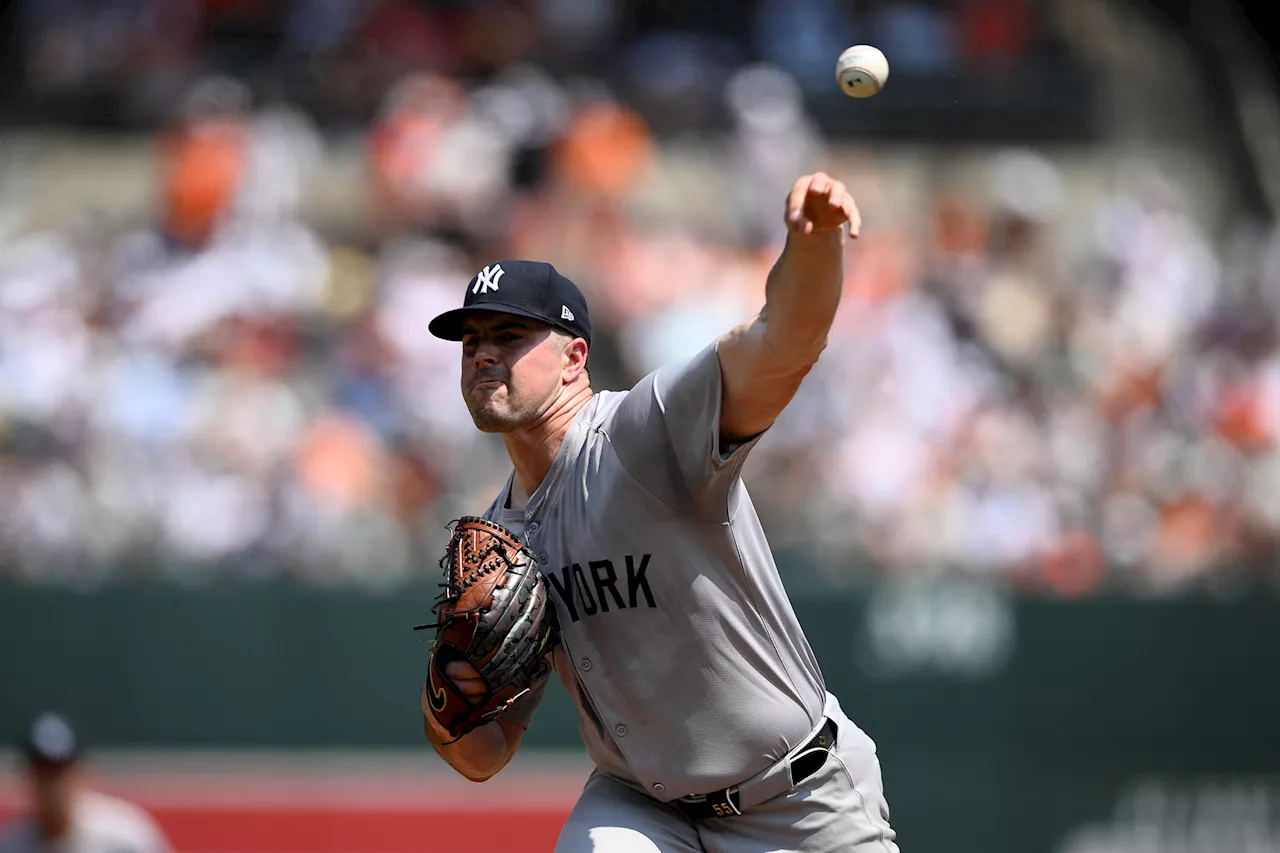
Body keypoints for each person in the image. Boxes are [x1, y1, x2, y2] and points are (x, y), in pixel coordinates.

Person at [421, 172, 899, 852]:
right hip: (644, 805)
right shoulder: (502, 542)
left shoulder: (644, 434)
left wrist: (815, 246)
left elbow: (780, 345)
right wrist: (447, 699)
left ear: (573, 358)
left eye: (511, 334)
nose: (484, 353)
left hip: (795, 800)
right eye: (470, 341)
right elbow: (484, 754)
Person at [0, 713, 172, 853]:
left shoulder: (125, 837)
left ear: (81, 774)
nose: (52, 785)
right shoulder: (11, 845)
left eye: (59, 772)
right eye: (43, 773)